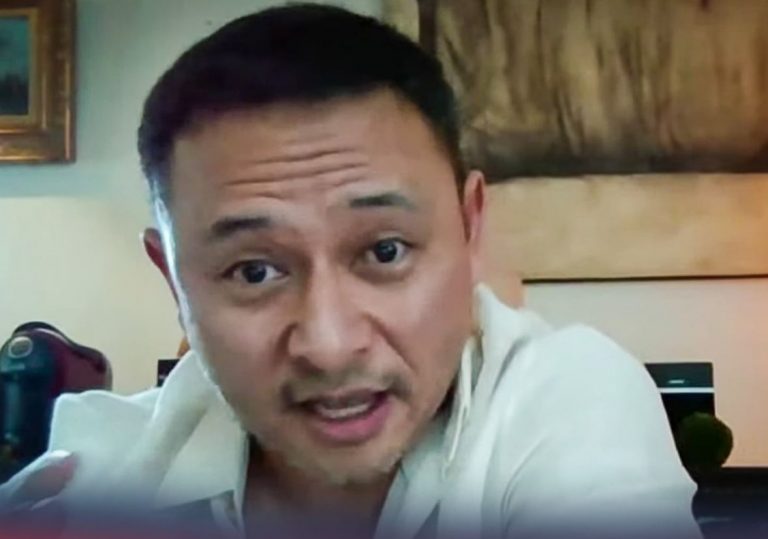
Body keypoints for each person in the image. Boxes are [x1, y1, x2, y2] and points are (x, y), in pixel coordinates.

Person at [1, 4, 699, 537]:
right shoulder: (103, 466)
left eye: (385, 252)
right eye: (254, 271)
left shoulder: (565, 400)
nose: (330, 346)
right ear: (173, 281)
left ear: (469, 228)